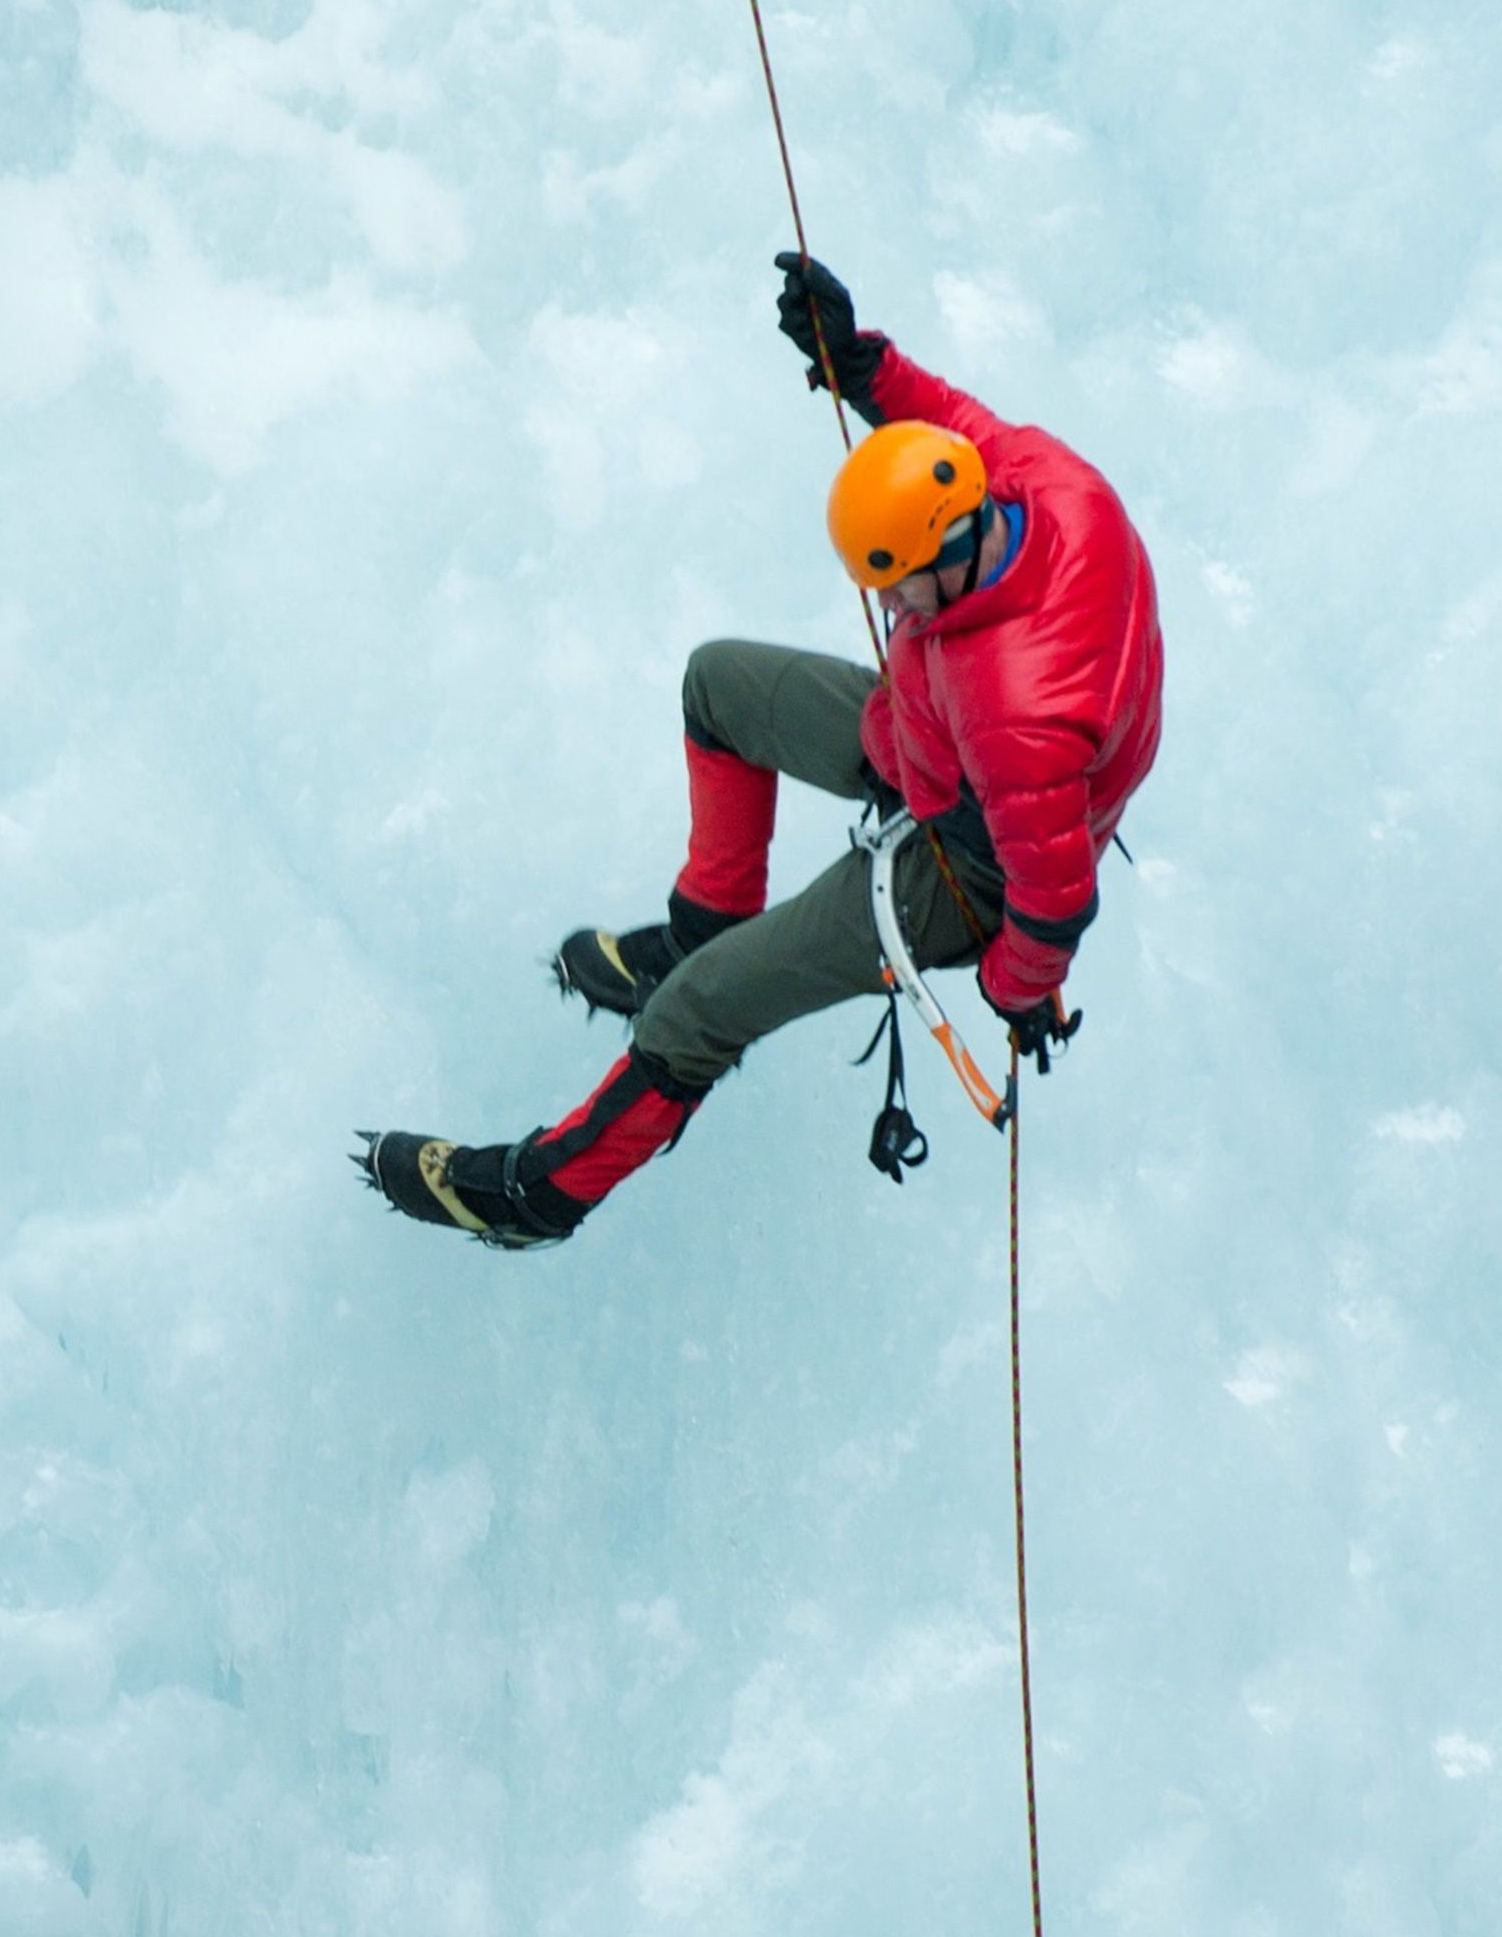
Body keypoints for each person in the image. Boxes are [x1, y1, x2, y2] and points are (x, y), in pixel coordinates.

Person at [355, 253, 1165, 1248]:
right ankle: (706, 922)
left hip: (967, 868)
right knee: (716, 686)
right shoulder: (1038, 482)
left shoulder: (1017, 711)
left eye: (899, 585)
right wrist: (856, 362)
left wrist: (1010, 990)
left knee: (699, 1010)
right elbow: (950, 420)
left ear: (953, 549)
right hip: (934, 744)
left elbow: (1054, 899)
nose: (885, 605)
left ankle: (541, 1193)